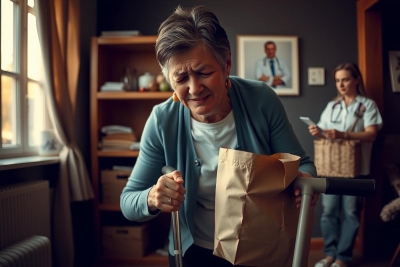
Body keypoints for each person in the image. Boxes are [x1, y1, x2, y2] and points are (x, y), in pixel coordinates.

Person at [121, 5, 318, 267]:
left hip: (261, 246)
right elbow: (128, 202)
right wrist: (152, 197)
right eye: (181, 78)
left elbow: (303, 164)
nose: (194, 88)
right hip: (194, 251)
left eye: (204, 73)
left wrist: (304, 181)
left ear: (226, 64)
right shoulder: (162, 119)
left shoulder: (260, 99)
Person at [308, 63, 383, 267]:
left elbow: (372, 134)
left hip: (357, 171)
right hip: (332, 168)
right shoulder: (333, 105)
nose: (341, 84)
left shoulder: (367, 106)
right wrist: (318, 132)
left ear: (356, 79)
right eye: (338, 80)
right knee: (328, 212)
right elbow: (324, 131)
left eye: (346, 79)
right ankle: (330, 254)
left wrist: (344, 135)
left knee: (351, 213)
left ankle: (343, 258)